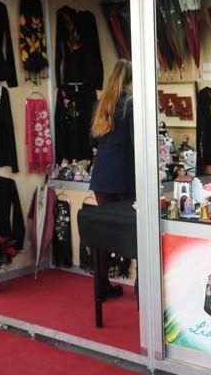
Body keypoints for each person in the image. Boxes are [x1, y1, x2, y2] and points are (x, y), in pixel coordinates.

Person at [89, 59, 135, 299]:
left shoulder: (100, 104)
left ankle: (101, 286)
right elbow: (136, 144)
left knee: (104, 235)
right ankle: (141, 287)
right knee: (135, 233)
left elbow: (93, 141)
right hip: (125, 176)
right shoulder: (131, 105)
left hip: (102, 177)